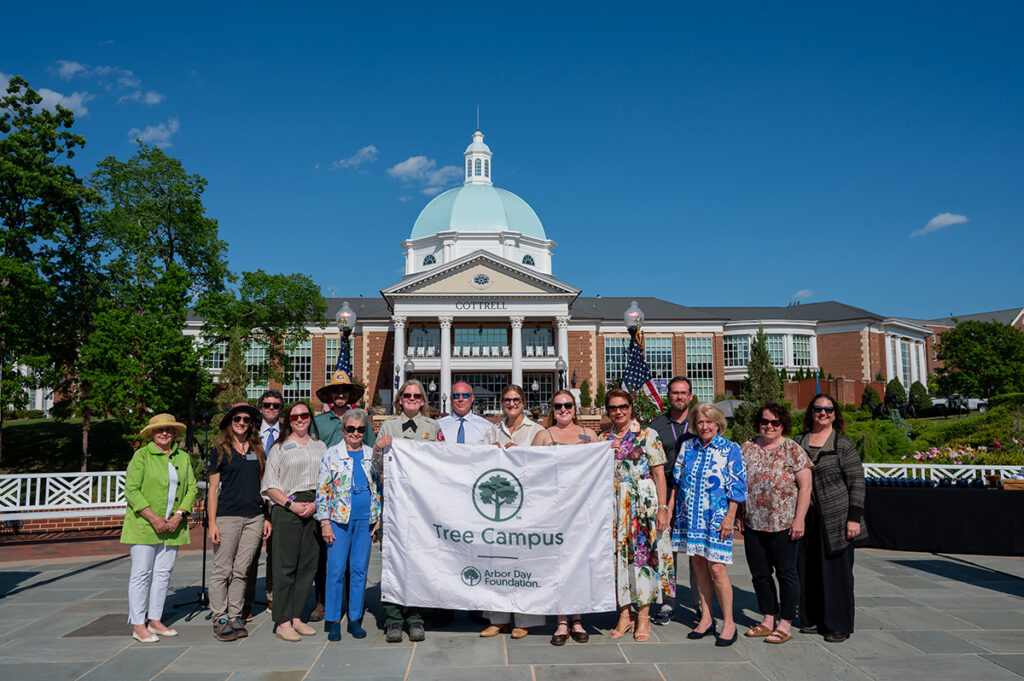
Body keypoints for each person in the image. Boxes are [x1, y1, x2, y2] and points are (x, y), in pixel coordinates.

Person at [373, 378, 444, 643]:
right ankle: (392, 618)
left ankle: (415, 615)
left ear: (423, 401)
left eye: (416, 396)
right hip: (394, 505)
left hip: (422, 507)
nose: (412, 399)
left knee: (418, 560)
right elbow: (377, 466)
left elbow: (442, 462)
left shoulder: (432, 427)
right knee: (391, 560)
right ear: (400, 400)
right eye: (407, 396)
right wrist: (379, 449)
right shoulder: (388, 426)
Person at [795, 393, 867, 643]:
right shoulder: (798, 442)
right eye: (818, 409)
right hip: (805, 517)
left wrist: (854, 518)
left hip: (837, 518)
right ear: (810, 412)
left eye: (828, 409)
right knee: (807, 570)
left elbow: (857, 482)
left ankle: (838, 624)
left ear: (835, 414)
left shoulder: (843, 445)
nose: (822, 413)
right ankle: (811, 618)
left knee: (837, 573)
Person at [739, 402, 813, 645]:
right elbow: (737, 483)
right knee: (760, 575)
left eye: (774, 422)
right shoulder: (747, 448)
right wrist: (739, 514)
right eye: (764, 421)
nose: (769, 426)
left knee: (786, 574)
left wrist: (799, 519)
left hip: (783, 524)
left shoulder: (792, 449)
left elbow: (806, 486)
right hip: (753, 523)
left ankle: (786, 624)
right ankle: (767, 619)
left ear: (783, 424)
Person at [673, 402, 746, 647]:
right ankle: (705, 618)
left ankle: (729, 622)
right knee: (698, 566)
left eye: (709, 422)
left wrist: (730, 518)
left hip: (716, 519)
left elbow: (737, 488)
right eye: (700, 422)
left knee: (716, 568)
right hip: (689, 518)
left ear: (718, 424)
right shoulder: (688, 447)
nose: (704, 426)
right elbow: (677, 480)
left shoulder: (730, 449)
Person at [120, 413, 198, 643]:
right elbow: (132, 490)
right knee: (141, 574)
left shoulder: (182, 457)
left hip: (174, 526)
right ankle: (138, 624)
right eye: (159, 430)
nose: (164, 433)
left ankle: (155, 619)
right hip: (145, 525)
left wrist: (179, 515)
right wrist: (153, 518)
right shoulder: (141, 456)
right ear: (152, 434)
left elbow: (192, 488)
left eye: (169, 430)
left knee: (163, 574)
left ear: (175, 433)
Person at [600, 389, 669, 643]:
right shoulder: (604, 438)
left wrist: (663, 508)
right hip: (615, 503)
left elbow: (659, 473)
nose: (619, 412)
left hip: (642, 501)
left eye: (623, 406)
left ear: (631, 407)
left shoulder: (647, 434)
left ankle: (644, 616)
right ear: (607, 411)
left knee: (644, 557)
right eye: (613, 408)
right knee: (618, 558)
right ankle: (624, 613)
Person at [478, 384, 546, 639]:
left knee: (525, 562)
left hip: (527, 505)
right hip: (498, 506)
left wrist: (523, 454)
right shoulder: (492, 431)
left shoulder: (536, 430)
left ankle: (525, 619)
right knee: (497, 562)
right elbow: (479, 464)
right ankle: (498, 619)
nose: (511, 403)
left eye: (516, 399)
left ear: (524, 402)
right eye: (507, 400)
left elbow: (545, 464)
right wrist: (490, 451)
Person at [532, 390, 598, 646]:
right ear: (552, 408)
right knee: (558, 563)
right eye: (558, 406)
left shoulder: (590, 435)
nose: (563, 409)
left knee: (580, 563)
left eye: (567, 405)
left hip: (583, 509)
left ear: (574, 407)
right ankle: (561, 620)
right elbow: (531, 469)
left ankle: (577, 618)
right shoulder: (543, 436)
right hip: (555, 509)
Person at [311, 372, 375, 621]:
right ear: (329, 396)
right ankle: (323, 603)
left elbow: (371, 457)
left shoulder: (362, 421)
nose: (340, 395)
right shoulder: (319, 421)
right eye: (336, 391)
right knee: (326, 559)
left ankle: (350, 606)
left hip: (355, 503)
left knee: (355, 563)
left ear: (350, 395)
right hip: (327, 493)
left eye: (344, 391)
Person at [262, 400, 326, 642]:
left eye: (304, 415)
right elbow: (269, 485)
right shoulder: (280, 448)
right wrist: (290, 504)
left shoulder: (320, 446)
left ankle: (297, 617)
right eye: (295, 416)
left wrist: (317, 504)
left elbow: (328, 480)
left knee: (307, 566)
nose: (300, 420)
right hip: (287, 507)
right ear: (288, 420)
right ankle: (283, 620)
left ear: (310, 418)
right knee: (285, 566)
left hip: (314, 506)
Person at [208, 403, 272, 641]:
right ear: (229, 422)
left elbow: (264, 486)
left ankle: (235, 616)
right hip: (227, 517)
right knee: (222, 570)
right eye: (237, 419)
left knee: (242, 570)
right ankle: (219, 618)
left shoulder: (257, 449)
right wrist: (212, 523)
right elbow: (213, 490)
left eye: (246, 420)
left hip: (254, 517)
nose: (242, 423)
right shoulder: (220, 450)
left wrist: (266, 517)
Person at [317, 409, 381, 641]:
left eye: (361, 429)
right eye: (351, 428)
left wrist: (378, 517)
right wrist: (324, 522)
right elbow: (323, 490)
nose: (355, 433)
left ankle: (354, 618)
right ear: (343, 430)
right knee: (334, 570)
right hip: (338, 520)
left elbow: (378, 487)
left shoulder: (371, 454)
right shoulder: (332, 454)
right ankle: (333, 619)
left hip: (364, 520)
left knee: (359, 570)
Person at [434, 380, 492, 628]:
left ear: (472, 398)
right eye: (456, 395)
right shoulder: (438, 426)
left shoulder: (487, 428)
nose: (459, 399)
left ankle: (476, 606)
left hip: (474, 499)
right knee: (446, 552)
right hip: (446, 497)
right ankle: (445, 606)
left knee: (474, 552)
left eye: (464, 395)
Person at [648, 376, 696, 625]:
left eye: (683, 393)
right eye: (675, 393)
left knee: (697, 552)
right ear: (668, 396)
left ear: (690, 396)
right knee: (666, 551)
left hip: (695, 494)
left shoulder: (701, 423)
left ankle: (700, 604)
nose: (679, 396)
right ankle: (667, 603)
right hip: (665, 492)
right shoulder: (656, 425)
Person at [242, 390, 282, 619]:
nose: (271, 408)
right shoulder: (250, 432)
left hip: (278, 499)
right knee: (250, 554)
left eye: (276, 405)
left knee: (275, 553)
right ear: (260, 408)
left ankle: (272, 598)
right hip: (254, 499)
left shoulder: (286, 431)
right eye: (267, 405)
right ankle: (246, 602)